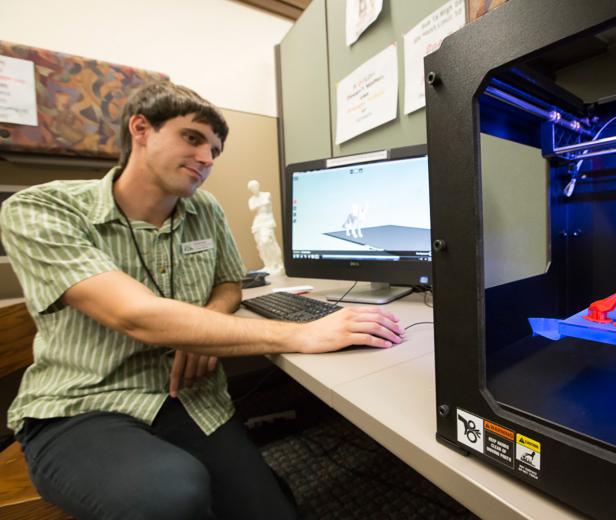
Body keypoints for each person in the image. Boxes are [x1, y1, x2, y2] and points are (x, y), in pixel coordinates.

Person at [0, 81, 405, 520]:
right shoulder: (42, 208)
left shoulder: (205, 209)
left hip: (188, 397)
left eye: (214, 150)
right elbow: (135, 315)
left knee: (274, 512)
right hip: (83, 406)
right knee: (171, 495)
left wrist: (202, 329)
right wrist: (303, 333)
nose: (207, 159)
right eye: (193, 138)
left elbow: (230, 282)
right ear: (140, 129)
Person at [247, 179, 283, 274]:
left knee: (267, 241)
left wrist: (259, 204)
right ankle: (268, 265)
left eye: (255, 186)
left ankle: (277, 264)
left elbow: (265, 204)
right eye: (251, 188)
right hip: (258, 222)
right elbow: (252, 208)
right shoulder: (251, 199)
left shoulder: (267, 195)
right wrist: (261, 203)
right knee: (260, 245)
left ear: (258, 186)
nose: (254, 189)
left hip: (267, 220)